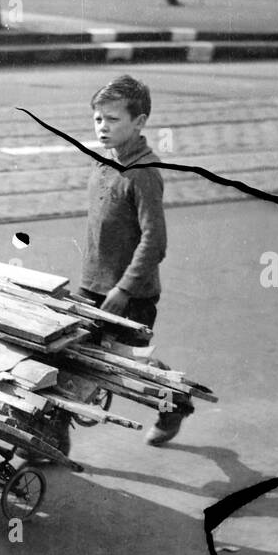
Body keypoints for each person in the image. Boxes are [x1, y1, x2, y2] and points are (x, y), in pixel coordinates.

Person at [79, 74, 193, 446]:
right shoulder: (103, 160)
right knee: (70, 354)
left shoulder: (143, 174)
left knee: (132, 363)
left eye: (113, 120)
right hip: (93, 285)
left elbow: (155, 241)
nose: (102, 127)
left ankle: (174, 403)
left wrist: (124, 289)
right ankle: (56, 436)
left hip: (132, 295)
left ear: (139, 122)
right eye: (98, 119)